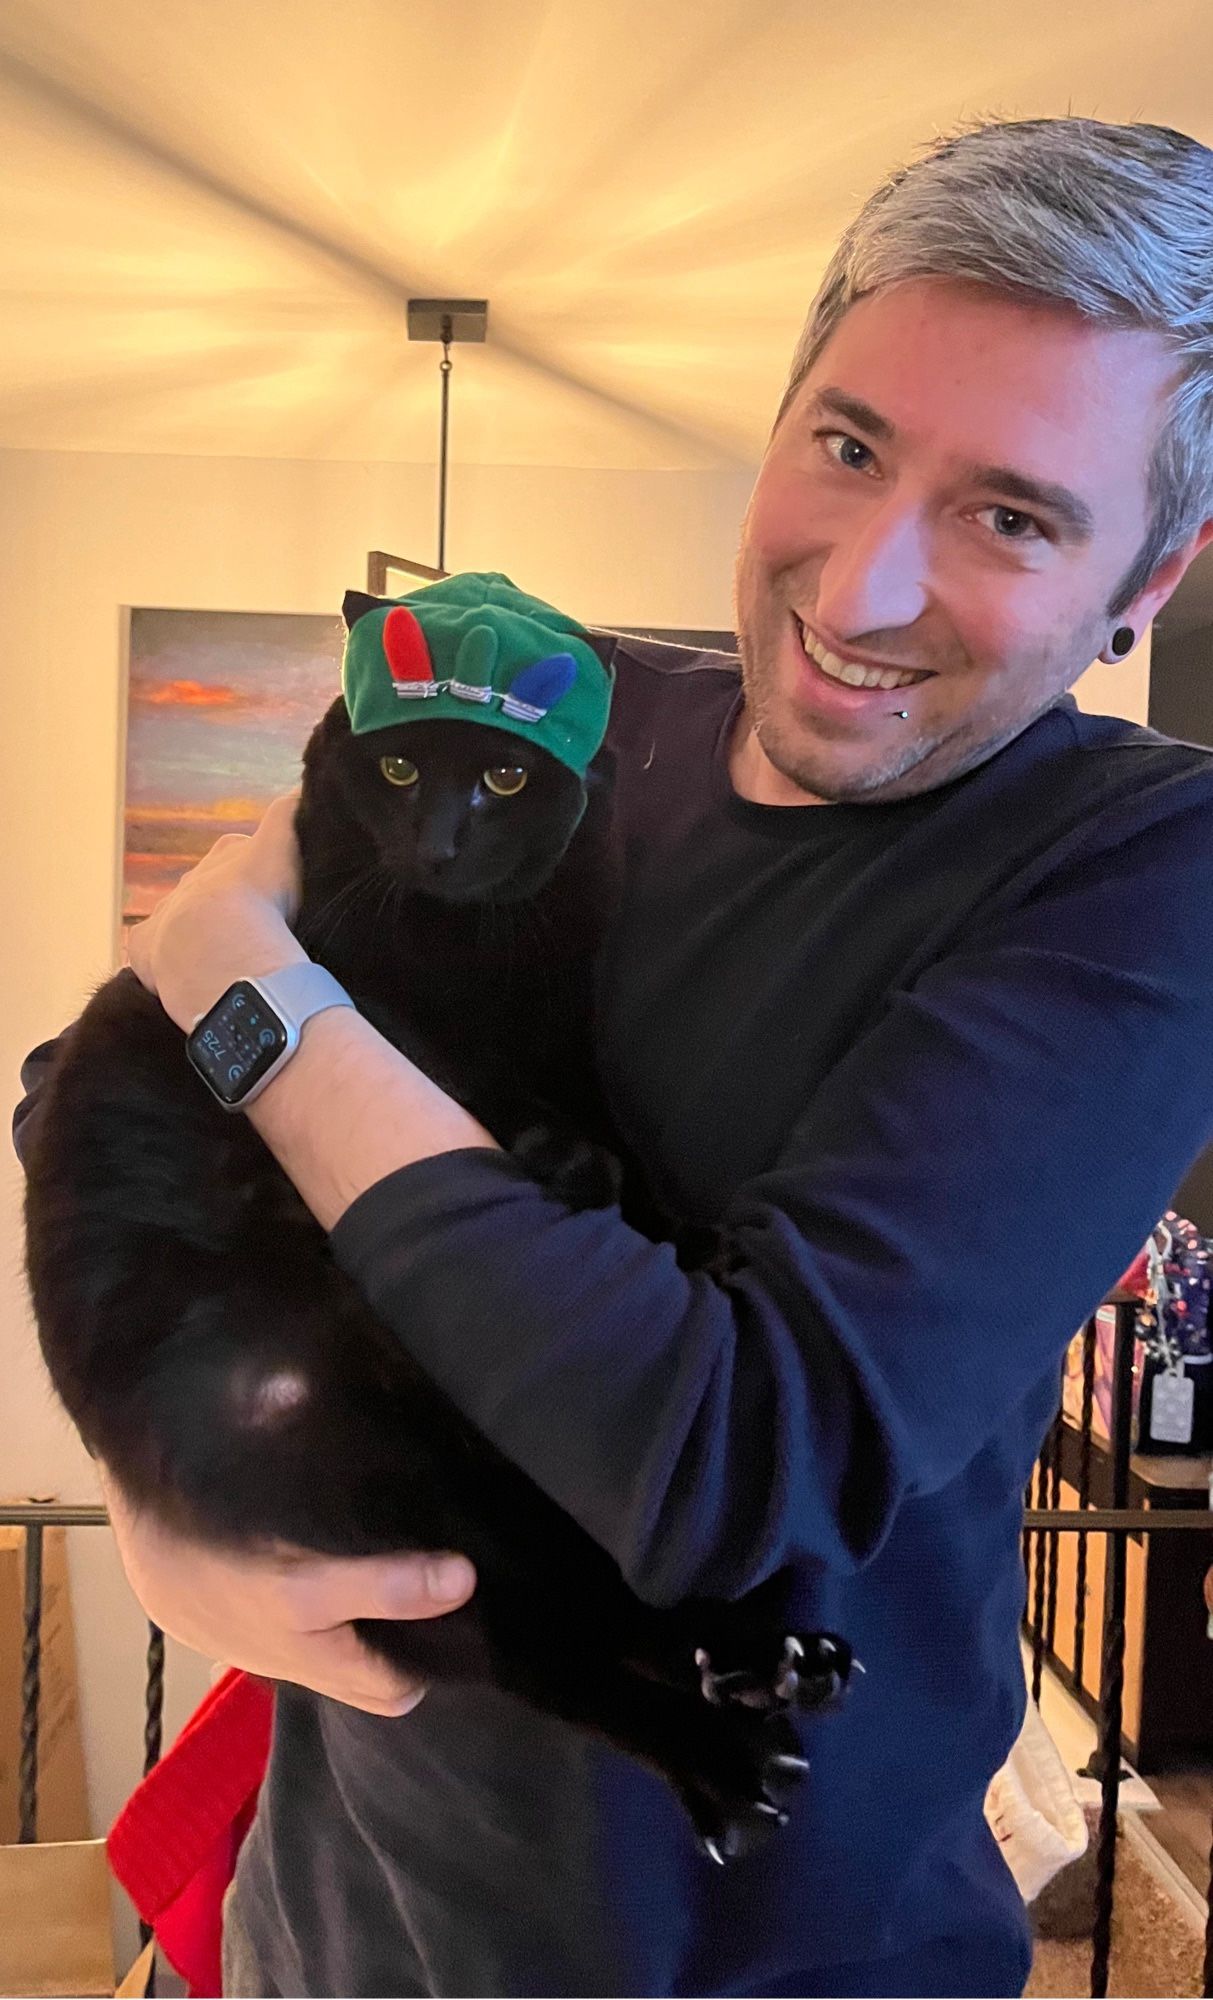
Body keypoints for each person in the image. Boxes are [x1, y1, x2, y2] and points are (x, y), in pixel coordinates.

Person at [16, 114, 1213, 1999]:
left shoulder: (1139, 870)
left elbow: (725, 1459)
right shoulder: (569, 717)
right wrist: (172, 1513)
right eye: (845, 445)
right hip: (314, 1937)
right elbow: (90, 1099)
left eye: (1009, 514)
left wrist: (247, 986)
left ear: (1154, 571)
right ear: (779, 415)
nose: (861, 589)